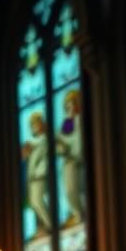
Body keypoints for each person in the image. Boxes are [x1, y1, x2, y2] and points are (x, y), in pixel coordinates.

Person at [55, 89, 85, 228]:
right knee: (68, 191)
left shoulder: (81, 120)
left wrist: (72, 150)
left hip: (77, 160)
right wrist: (60, 145)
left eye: (72, 104)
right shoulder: (67, 123)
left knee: (75, 189)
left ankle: (80, 214)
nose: (69, 109)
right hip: (68, 162)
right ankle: (76, 213)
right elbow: (63, 141)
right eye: (67, 106)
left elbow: (77, 140)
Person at [21, 111, 51, 236]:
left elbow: (46, 158)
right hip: (32, 177)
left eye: (37, 124)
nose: (35, 127)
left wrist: (40, 172)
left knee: (38, 200)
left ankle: (50, 224)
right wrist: (26, 154)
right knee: (34, 203)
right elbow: (27, 159)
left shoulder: (46, 140)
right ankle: (43, 226)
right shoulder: (31, 142)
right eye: (33, 126)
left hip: (40, 176)